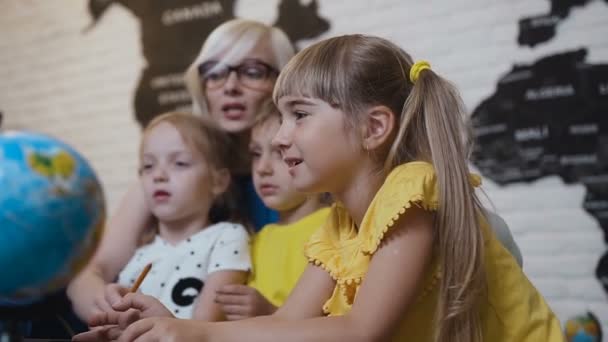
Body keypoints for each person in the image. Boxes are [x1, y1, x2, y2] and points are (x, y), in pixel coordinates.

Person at [75, 34, 564, 342]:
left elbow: (359, 330)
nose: (281, 136)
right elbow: (290, 324)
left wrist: (196, 335)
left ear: (374, 128)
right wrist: (173, 325)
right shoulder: (339, 226)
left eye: (299, 115)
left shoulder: (412, 192)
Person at [67, 19, 295, 323]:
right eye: (214, 73)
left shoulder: (307, 173)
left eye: (252, 72)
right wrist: (107, 309)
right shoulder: (170, 175)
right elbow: (92, 273)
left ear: (285, 82)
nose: (230, 86)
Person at [118, 112, 251, 320]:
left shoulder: (227, 237)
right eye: (148, 166)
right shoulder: (139, 256)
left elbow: (204, 327)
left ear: (218, 182)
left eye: (179, 163)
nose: (159, 175)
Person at [215, 101, 330, 320]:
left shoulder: (335, 226)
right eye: (256, 154)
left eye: (280, 152)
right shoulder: (256, 239)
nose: (262, 168)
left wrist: (271, 313)